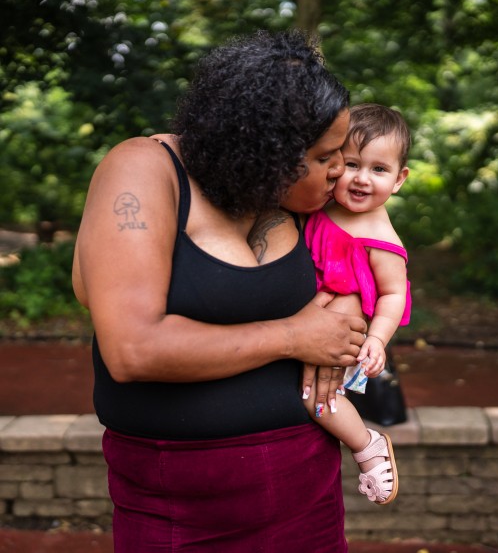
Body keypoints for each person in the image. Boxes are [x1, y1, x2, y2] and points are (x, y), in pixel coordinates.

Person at [71, 30, 368, 553]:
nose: (341, 168)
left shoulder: (292, 195)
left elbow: (369, 253)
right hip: (178, 504)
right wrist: (294, 336)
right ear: (267, 150)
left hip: (308, 487)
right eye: (326, 156)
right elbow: (133, 349)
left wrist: (343, 307)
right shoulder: (144, 172)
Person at [303, 103, 411, 505]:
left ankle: (368, 446)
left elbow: (393, 294)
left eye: (378, 170)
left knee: (319, 399)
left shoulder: (382, 238)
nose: (362, 179)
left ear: (399, 179)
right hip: (305, 322)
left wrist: (378, 340)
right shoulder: (322, 205)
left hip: (341, 334)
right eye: (352, 164)